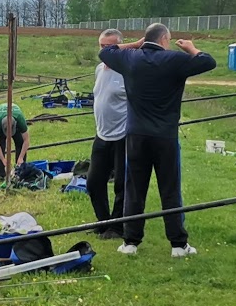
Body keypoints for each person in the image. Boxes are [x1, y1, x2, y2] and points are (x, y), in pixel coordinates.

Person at [98, 22, 216, 257]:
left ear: (146, 40)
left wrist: (135, 44)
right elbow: (208, 61)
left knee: (135, 189)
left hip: (136, 136)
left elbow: (106, 52)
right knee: (170, 190)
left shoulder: (131, 58)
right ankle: (178, 245)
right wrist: (191, 48)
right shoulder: (174, 60)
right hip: (165, 137)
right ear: (164, 40)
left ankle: (130, 242)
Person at [86, 29, 130, 239]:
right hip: (101, 135)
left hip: (123, 135)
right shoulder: (98, 70)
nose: (104, 51)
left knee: (122, 183)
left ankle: (118, 226)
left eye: (110, 47)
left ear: (120, 47)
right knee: (94, 181)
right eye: (102, 46)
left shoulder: (128, 71)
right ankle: (104, 222)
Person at [0, 102, 30, 181]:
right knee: (0, 146)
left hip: (15, 116)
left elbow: (26, 140)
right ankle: (1, 176)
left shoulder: (20, 119)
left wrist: (21, 157)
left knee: (20, 143)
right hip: (0, 116)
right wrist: (4, 161)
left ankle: (20, 172)